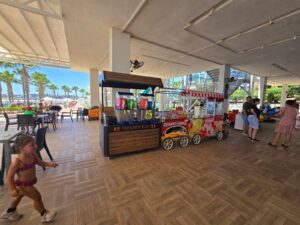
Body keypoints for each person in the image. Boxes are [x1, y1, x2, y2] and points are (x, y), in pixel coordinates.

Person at [0, 135, 58, 223]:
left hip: (29, 183)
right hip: (24, 185)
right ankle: (44, 214)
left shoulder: (32, 154)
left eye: (35, 144)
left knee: (19, 196)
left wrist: (49, 164)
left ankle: (10, 211)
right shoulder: (17, 162)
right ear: (22, 149)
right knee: (37, 197)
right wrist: (12, 189)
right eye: (32, 145)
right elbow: (9, 177)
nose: (36, 146)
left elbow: (39, 162)